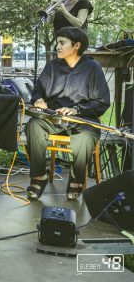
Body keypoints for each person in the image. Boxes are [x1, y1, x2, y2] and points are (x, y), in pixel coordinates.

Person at [25, 27, 110, 201]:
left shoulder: (92, 68)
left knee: (85, 138)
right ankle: (39, 176)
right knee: (33, 125)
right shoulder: (52, 67)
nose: (58, 46)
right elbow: (37, 91)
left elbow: (102, 102)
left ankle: (77, 178)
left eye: (62, 43)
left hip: (82, 120)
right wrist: (39, 100)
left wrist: (77, 109)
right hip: (53, 119)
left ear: (77, 45)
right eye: (57, 42)